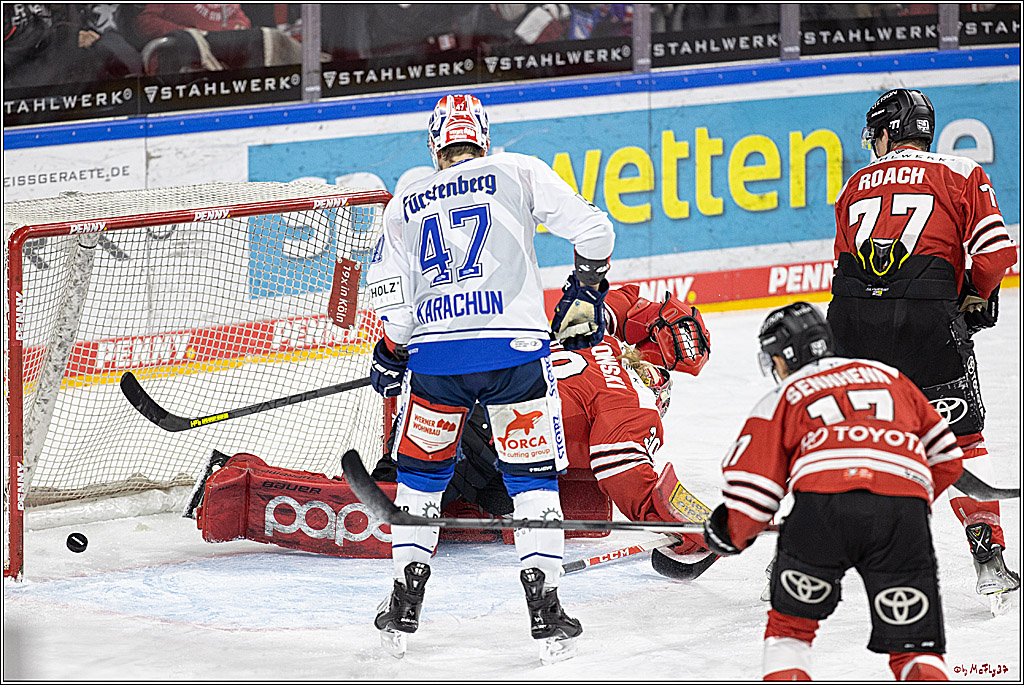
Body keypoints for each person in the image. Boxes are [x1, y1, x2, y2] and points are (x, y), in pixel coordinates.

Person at [365, 93, 615, 662]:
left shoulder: (404, 200)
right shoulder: (517, 169)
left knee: (421, 483)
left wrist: (391, 352)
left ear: (435, 146)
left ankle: (404, 599)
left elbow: (391, 300)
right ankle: (546, 608)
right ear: (483, 138)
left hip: (436, 363)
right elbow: (596, 232)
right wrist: (586, 288)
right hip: (515, 357)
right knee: (532, 483)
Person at [702, 302, 965, 681]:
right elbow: (948, 459)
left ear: (783, 357)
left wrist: (729, 533)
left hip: (820, 516)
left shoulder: (785, 394)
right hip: (901, 521)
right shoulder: (888, 376)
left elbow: (755, 493)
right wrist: (903, 501)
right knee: (916, 649)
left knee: (790, 633)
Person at [827, 88, 1019, 602]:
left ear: (888, 132)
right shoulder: (962, 172)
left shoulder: (854, 184)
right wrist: (976, 294)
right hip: (926, 323)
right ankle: (988, 559)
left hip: (851, 326)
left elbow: (845, 267)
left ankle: (799, 556)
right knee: (962, 441)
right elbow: (997, 254)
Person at [373, 285, 714, 558]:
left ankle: (399, 473)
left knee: (507, 491)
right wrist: (682, 526)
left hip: (444, 394)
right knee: (393, 516)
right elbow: (622, 471)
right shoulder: (633, 402)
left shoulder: (595, 338)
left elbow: (612, 302)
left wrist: (657, 317)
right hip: (483, 441)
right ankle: (388, 500)